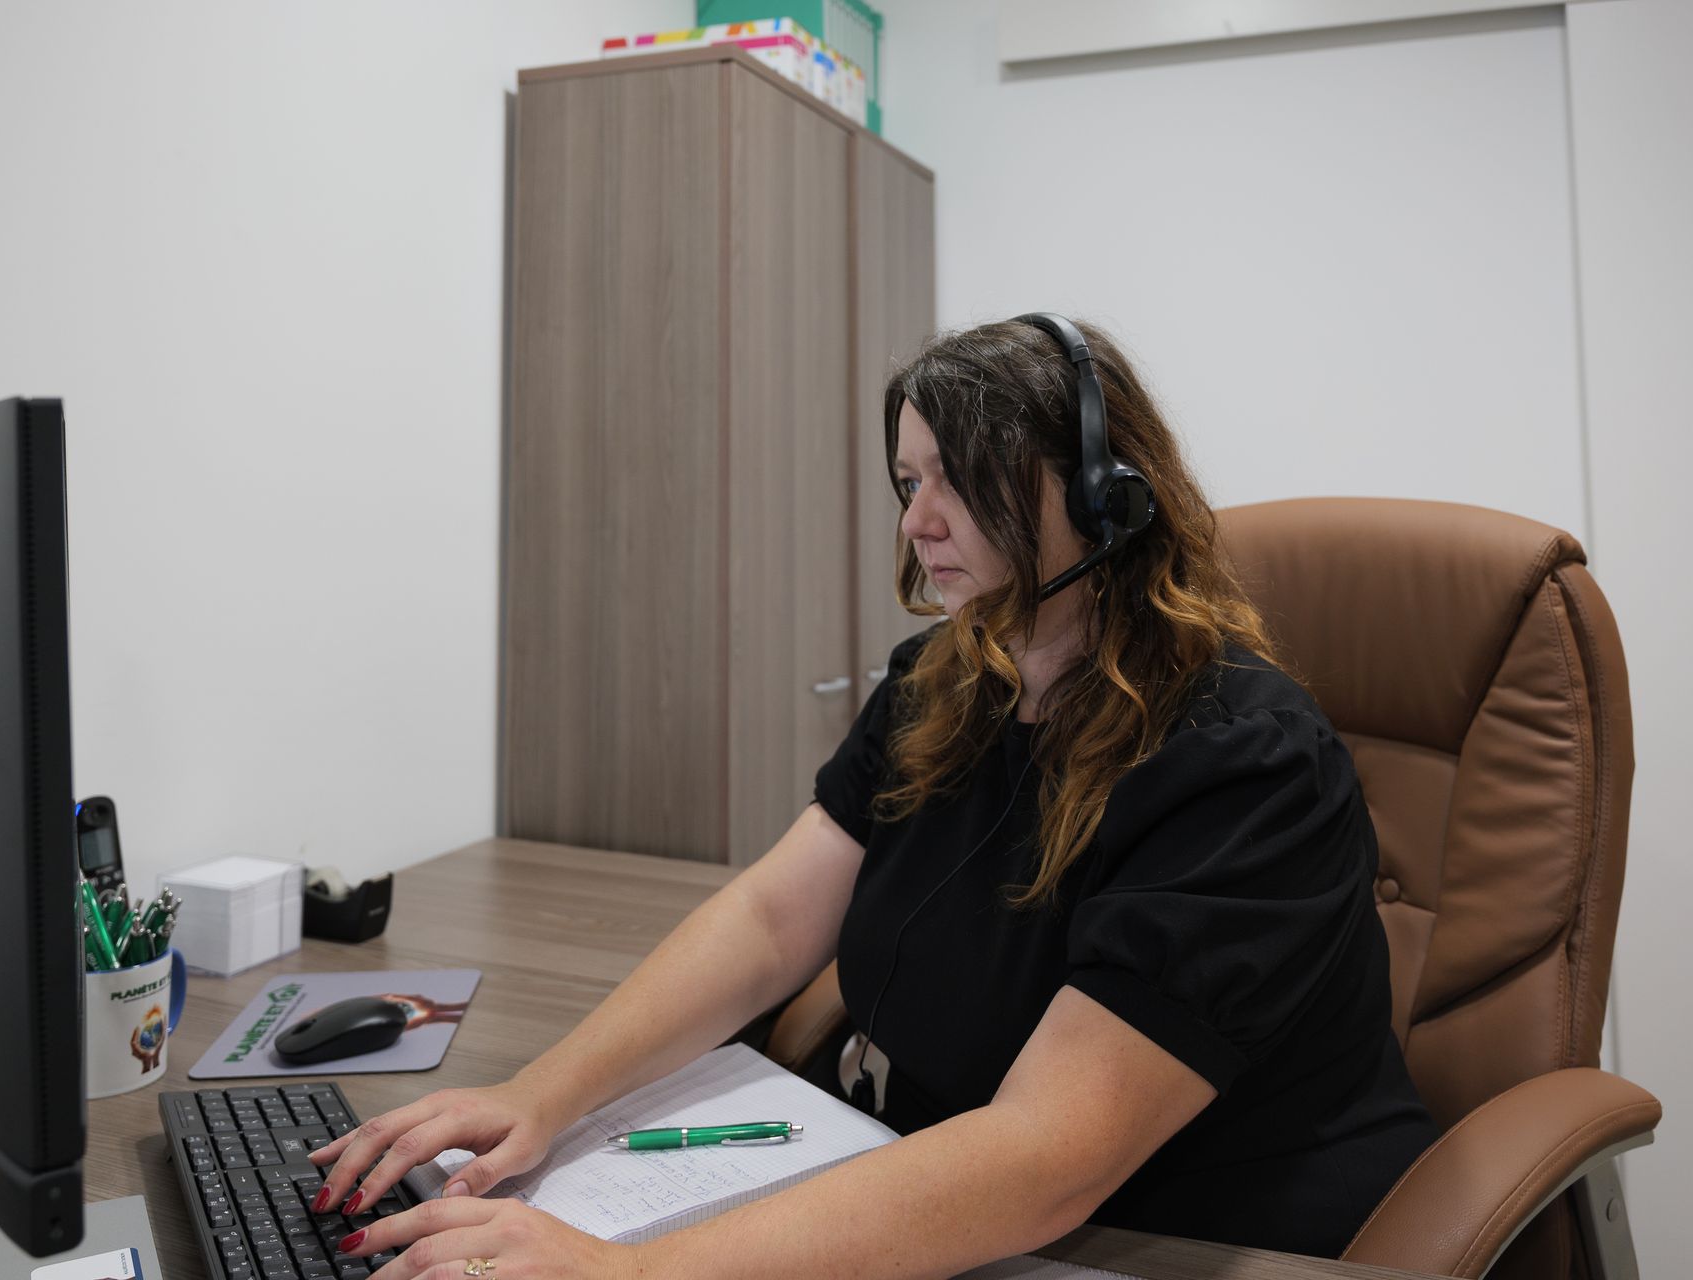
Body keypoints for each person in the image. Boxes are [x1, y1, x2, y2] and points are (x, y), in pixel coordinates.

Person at [306, 316, 1440, 1278]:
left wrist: (626, 1267)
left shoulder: (1245, 763)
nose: (918, 520)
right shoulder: (949, 683)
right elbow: (769, 918)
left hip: (1182, 1238)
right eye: (909, 483)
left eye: (963, 481)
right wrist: (541, 1092)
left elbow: (1051, 1151)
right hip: (967, 1197)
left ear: (1102, 495)